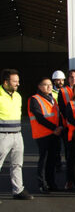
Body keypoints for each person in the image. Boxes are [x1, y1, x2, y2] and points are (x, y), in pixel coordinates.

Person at [0, 69, 33, 200]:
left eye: (18, 81)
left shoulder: (18, 96)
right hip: (2, 136)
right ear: (6, 82)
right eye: (15, 81)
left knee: (17, 164)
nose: (18, 84)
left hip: (17, 135)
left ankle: (18, 190)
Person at [28, 77, 63, 194]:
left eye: (50, 84)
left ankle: (51, 183)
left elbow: (57, 115)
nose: (49, 87)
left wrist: (60, 127)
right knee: (44, 160)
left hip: (54, 134)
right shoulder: (34, 99)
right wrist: (55, 128)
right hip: (43, 135)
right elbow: (40, 118)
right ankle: (42, 184)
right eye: (45, 85)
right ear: (39, 86)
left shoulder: (52, 99)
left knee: (52, 161)